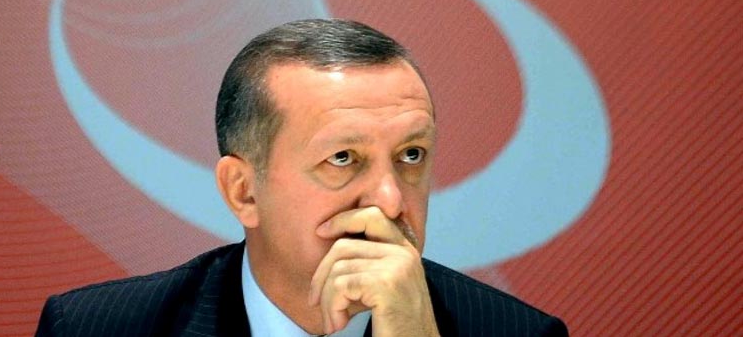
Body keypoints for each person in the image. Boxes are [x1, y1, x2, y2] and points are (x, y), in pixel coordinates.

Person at [35, 19, 568, 336]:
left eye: (411, 155)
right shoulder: (93, 329)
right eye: (343, 158)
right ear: (243, 192)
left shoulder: (519, 334)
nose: (389, 200)